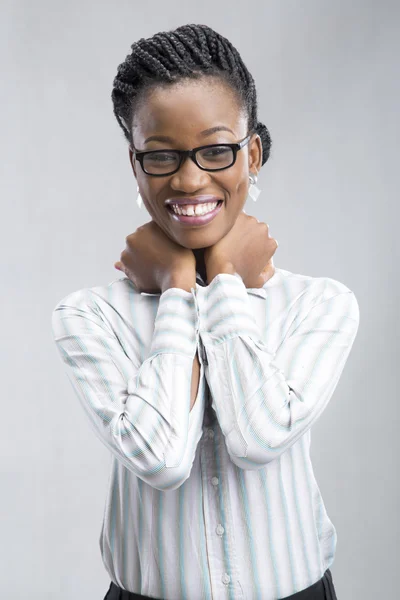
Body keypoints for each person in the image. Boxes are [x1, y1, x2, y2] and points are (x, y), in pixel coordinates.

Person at [51, 23, 359, 600]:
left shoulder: (319, 305)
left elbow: (258, 437)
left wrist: (220, 278)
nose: (190, 178)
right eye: (162, 156)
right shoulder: (88, 317)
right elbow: (160, 458)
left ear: (254, 155)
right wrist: (175, 287)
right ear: (136, 164)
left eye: (216, 150)